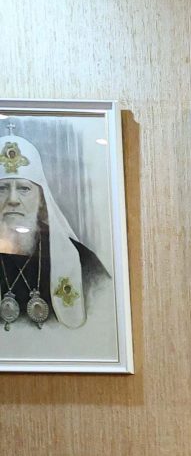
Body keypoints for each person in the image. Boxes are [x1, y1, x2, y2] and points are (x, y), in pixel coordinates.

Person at [0, 134, 109, 332]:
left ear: (42, 199)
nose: (13, 199)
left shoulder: (81, 260)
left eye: (24, 188)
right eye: (2, 188)